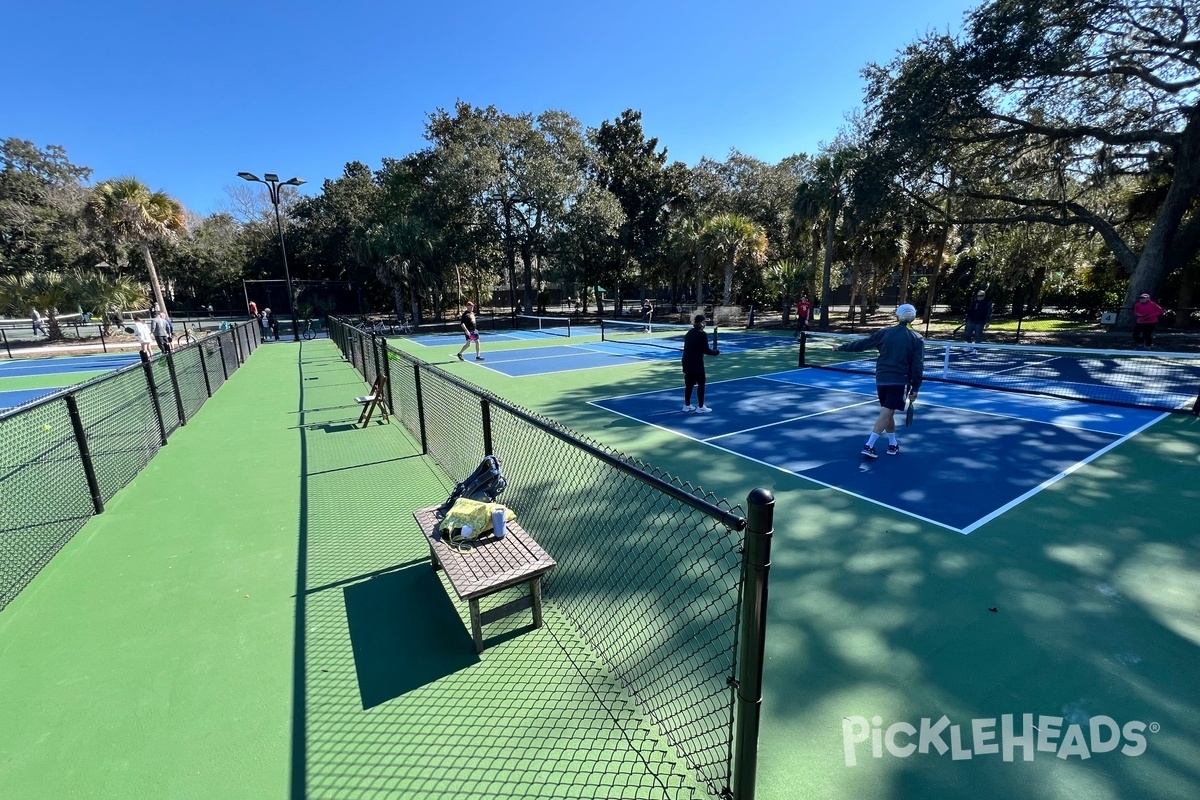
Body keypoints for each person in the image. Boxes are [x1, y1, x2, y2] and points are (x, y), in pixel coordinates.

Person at [836, 304, 924, 458]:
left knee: (887, 411)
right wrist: (915, 388)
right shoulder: (917, 338)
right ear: (914, 318)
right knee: (886, 413)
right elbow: (917, 366)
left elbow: (862, 345)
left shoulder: (884, 333)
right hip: (899, 381)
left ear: (897, 316)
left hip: (881, 380)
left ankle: (893, 444)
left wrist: (840, 348)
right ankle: (869, 445)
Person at [681, 313, 720, 413]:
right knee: (701, 383)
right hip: (696, 363)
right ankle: (701, 407)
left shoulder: (689, 333)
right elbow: (705, 350)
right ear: (702, 323)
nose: (705, 323)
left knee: (689, 384)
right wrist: (716, 352)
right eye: (704, 322)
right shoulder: (702, 334)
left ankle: (687, 405)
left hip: (686, 362)